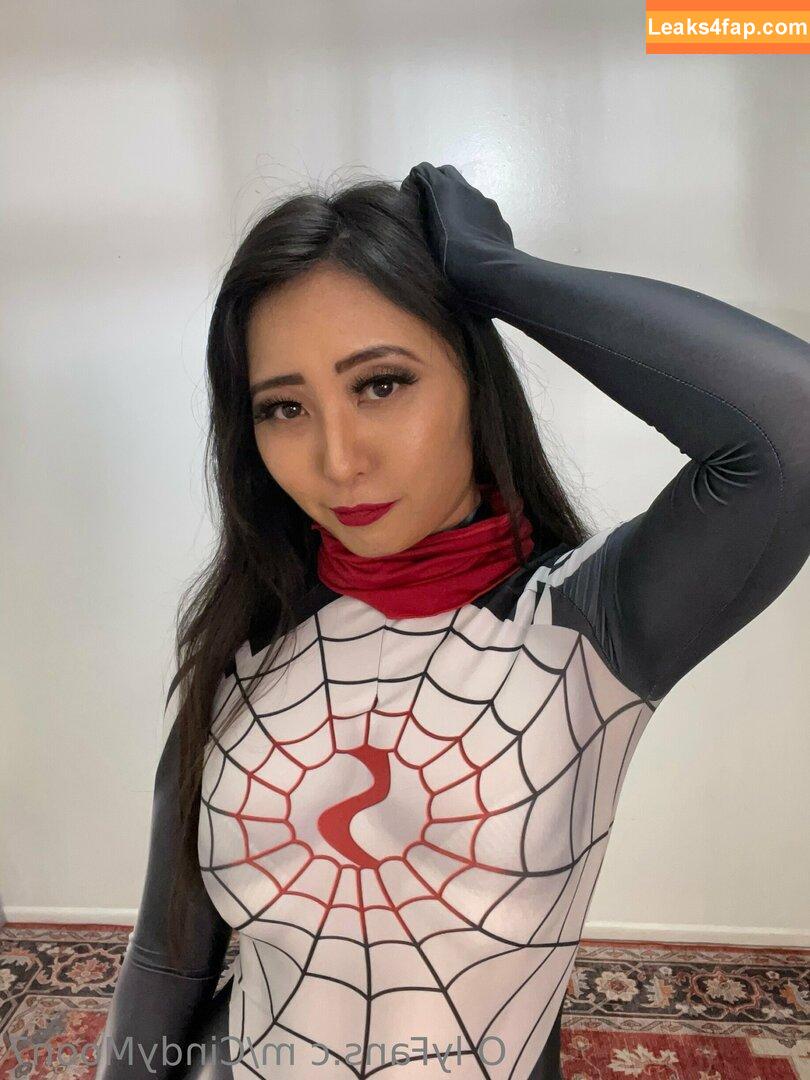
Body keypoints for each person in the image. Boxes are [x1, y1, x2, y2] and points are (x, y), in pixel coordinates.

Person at [95, 162, 810, 1080]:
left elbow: (789, 429)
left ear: (471, 379)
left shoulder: (585, 626)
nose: (338, 459)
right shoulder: (244, 648)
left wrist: (498, 275)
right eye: (285, 407)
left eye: (381, 384)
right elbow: (168, 958)